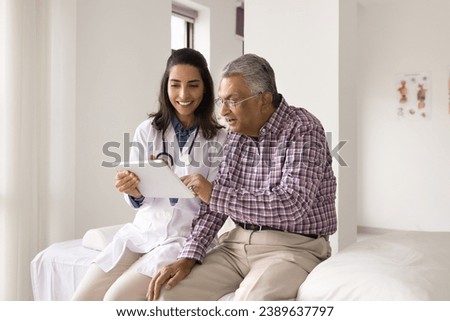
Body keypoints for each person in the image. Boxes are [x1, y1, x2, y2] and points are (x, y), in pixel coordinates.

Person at [148, 53, 337, 301]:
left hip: (293, 247)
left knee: (247, 303)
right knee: (167, 293)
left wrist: (214, 194)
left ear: (264, 100)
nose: (224, 111)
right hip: (236, 245)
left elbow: (293, 204)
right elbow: (214, 208)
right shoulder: (236, 135)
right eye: (221, 101)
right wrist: (188, 257)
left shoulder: (303, 129)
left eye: (233, 101)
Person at [72, 48, 227, 300]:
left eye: (193, 85)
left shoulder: (220, 139)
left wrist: (203, 188)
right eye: (175, 85)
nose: (183, 94)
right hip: (143, 230)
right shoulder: (148, 131)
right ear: (166, 87)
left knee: (115, 299)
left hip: (182, 237)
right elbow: (137, 196)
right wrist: (132, 190)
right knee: (82, 298)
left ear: (206, 89)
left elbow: (217, 203)